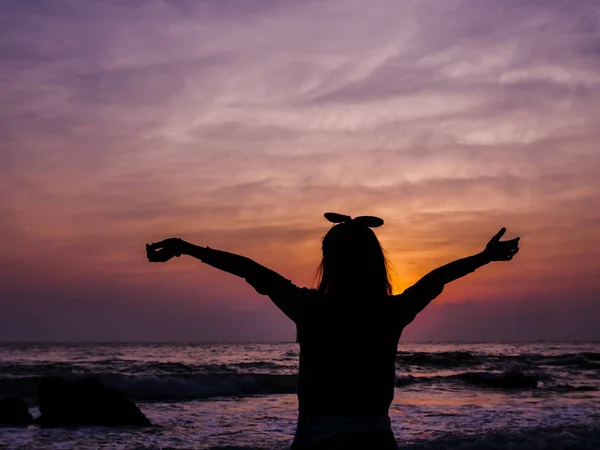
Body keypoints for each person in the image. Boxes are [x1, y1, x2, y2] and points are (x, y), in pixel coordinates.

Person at [146, 212, 520, 449]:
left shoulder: (311, 308)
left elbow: (252, 270)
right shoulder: (390, 311)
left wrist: (188, 248)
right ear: (376, 262)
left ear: (328, 261)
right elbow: (436, 279)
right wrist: (483, 257)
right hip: (376, 438)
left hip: (321, 439)